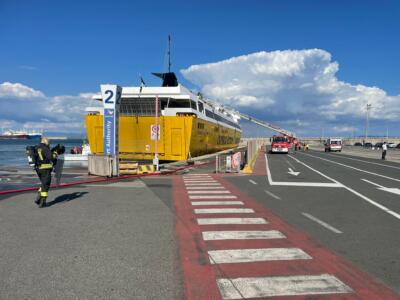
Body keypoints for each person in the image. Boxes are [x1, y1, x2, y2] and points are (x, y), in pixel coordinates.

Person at [34, 138, 59, 208]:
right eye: (48, 142)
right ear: (45, 141)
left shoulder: (36, 147)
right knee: (46, 185)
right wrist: (55, 153)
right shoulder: (45, 148)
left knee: (43, 183)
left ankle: (39, 198)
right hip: (45, 169)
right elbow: (51, 157)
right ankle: (42, 202)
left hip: (38, 169)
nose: (49, 143)